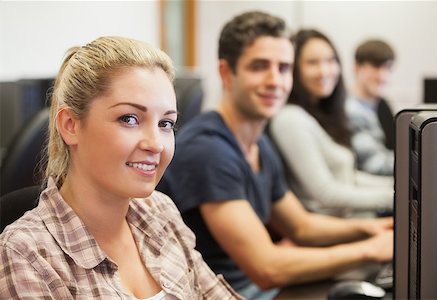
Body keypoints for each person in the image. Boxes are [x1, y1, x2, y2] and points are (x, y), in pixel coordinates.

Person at [157, 12, 393, 300]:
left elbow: (301, 226)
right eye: (259, 66)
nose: (275, 80)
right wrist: (371, 248)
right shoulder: (208, 149)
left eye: (284, 68)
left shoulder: (259, 144)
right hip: (228, 293)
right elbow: (267, 268)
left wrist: (373, 227)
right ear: (226, 73)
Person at [0, 36, 242, 299]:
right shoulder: (27, 255)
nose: (156, 144)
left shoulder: (160, 211)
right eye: (129, 119)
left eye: (166, 124)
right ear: (70, 125)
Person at [269, 29, 394, 217]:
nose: (324, 70)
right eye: (312, 63)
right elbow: (325, 193)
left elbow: (347, 178)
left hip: (352, 220)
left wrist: (398, 187)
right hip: (334, 227)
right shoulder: (291, 119)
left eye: (330, 60)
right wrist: (397, 196)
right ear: (295, 69)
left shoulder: (319, 114)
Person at [345, 39, 396, 175]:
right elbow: (374, 165)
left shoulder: (382, 105)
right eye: (375, 67)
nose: (382, 76)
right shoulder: (351, 109)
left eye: (388, 68)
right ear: (356, 67)